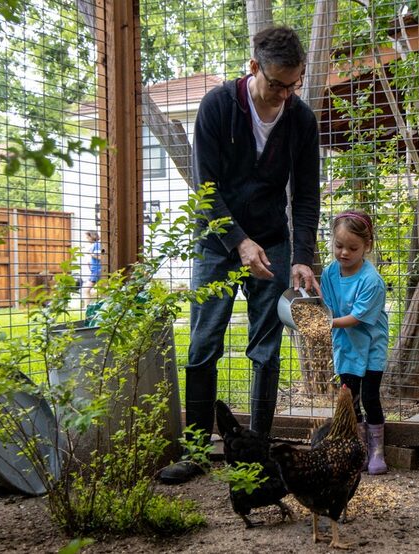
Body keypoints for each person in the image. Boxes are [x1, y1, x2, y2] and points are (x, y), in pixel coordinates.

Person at [159, 26, 321, 484]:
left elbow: (306, 194)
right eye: (278, 85)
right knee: (203, 344)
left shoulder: (301, 120)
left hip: (273, 241)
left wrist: (301, 255)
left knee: (266, 349)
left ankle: (257, 449)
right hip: (217, 242)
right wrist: (238, 241)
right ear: (254, 69)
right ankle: (194, 451)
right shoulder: (216, 106)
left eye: (296, 84)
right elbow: (205, 189)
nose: (286, 94)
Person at [320, 209, 389, 475]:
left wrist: (325, 324)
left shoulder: (372, 281)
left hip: (371, 347)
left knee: (370, 397)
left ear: (367, 246)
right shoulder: (329, 273)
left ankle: (377, 451)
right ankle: (357, 450)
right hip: (346, 347)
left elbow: (357, 318)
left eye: (352, 247)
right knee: (350, 399)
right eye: (338, 246)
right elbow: (327, 305)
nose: (344, 253)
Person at [83, 230, 102, 303]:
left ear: (92, 236)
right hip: (95, 270)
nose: (87, 239)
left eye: (87, 237)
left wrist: (90, 253)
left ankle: (87, 309)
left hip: (97, 271)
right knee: (88, 290)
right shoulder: (95, 245)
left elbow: (100, 257)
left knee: (86, 290)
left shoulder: (97, 245)